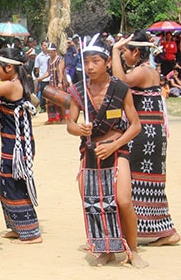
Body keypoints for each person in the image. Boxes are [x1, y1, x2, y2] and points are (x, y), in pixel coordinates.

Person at [66, 35, 147, 267]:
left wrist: (114, 144)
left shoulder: (121, 89)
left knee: (122, 201)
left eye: (95, 61)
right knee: (93, 202)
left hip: (116, 150)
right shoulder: (78, 90)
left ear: (107, 63)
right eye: (87, 62)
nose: (90, 66)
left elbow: (135, 125)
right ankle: (105, 249)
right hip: (90, 152)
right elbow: (70, 124)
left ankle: (133, 249)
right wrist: (79, 128)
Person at [112, 31, 179, 245]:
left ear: (136, 52)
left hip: (146, 136)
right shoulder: (145, 70)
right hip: (149, 133)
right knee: (145, 183)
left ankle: (164, 232)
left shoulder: (143, 72)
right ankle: (162, 231)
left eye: (125, 52)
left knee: (138, 181)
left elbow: (120, 81)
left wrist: (113, 50)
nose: (123, 56)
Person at [0, 46, 42, 244]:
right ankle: (17, 226)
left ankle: (31, 232)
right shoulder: (14, 82)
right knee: (5, 183)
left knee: (12, 183)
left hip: (17, 144)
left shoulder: (12, 85)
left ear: (9, 68)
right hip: (15, 141)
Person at [37, 42, 67, 123]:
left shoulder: (60, 59)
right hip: (52, 82)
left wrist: (60, 82)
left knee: (61, 100)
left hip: (59, 82)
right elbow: (48, 72)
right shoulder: (48, 60)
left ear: (54, 51)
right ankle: (52, 118)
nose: (49, 54)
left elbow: (60, 71)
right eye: (49, 52)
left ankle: (64, 118)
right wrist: (41, 78)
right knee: (50, 101)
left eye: (51, 52)